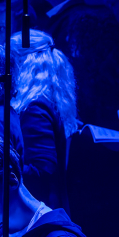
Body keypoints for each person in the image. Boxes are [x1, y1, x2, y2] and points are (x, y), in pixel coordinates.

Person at [10, 29, 77, 209]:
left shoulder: (35, 108)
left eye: (9, 60)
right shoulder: (48, 99)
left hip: (36, 209)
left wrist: (1, 166)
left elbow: (42, 170)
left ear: (24, 63)